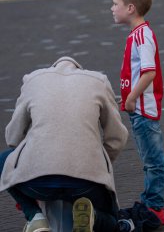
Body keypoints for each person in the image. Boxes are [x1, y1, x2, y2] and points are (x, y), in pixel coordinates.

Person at [0, 56, 134, 232]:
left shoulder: (32, 80)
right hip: (86, 184)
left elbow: (12, 137)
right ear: (79, 69)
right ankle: (93, 217)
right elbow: (117, 137)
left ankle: (35, 216)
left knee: (3, 159)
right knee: (112, 219)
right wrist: (98, 162)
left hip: (38, 184)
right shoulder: (98, 81)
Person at [111, 0, 164, 226]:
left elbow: (149, 72)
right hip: (138, 110)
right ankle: (150, 202)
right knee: (149, 160)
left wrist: (132, 98)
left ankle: (154, 207)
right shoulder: (137, 35)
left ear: (131, 8)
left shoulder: (142, 37)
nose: (112, 8)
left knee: (154, 162)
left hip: (143, 110)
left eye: (115, 4)